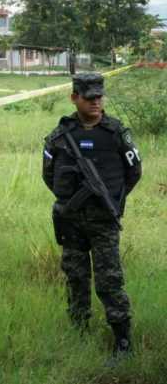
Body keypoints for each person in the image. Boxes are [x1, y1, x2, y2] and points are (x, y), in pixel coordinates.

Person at [42, 73, 142, 362]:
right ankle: (79, 332)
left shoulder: (115, 133)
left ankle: (123, 341)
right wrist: (73, 202)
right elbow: (48, 175)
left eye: (99, 97)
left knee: (109, 280)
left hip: (103, 221)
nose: (96, 102)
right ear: (74, 98)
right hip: (70, 219)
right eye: (89, 98)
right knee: (75, 276)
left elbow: (134, 172)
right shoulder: (60, 136)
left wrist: (111, 200)